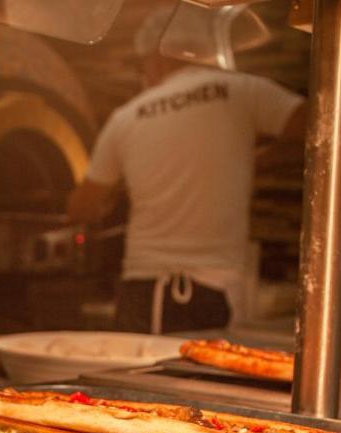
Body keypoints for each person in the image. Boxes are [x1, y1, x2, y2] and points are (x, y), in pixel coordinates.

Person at [67, 5, 305, 335]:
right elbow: (317, 125)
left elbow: (81, 206)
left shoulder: (127, 116)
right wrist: (261, 158)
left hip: (141, 288)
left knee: (132, 385)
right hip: (211, 288)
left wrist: (108, 202)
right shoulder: (239, 89)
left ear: (158, 58)